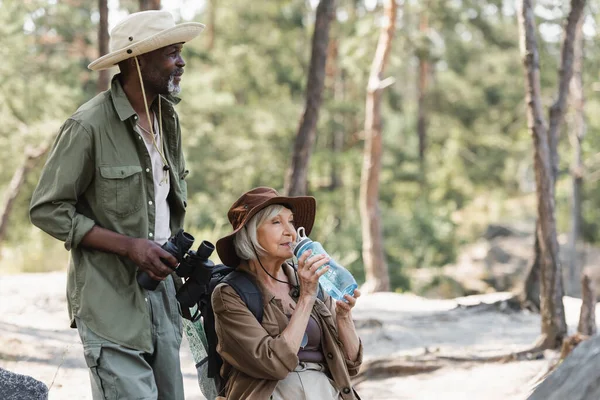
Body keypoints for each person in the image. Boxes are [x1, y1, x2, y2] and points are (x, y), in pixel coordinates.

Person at [29, 10, 204, 400]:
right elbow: (46, 208)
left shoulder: (168, 119)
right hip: (109, 299)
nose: (181, 61)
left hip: (161, 296)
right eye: (171, 53)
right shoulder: (87, 125)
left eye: (180, 52)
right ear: (138, 61)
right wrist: (130, 247)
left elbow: (162, 205)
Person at [212, 187, 363, 399]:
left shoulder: (309, 281)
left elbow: (350, 365)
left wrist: (344, 316)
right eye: (276, 222)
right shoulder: (230, 294)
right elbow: (271, 364)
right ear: (250, 234)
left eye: (291, 221)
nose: (291, 232)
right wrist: (306, 299)